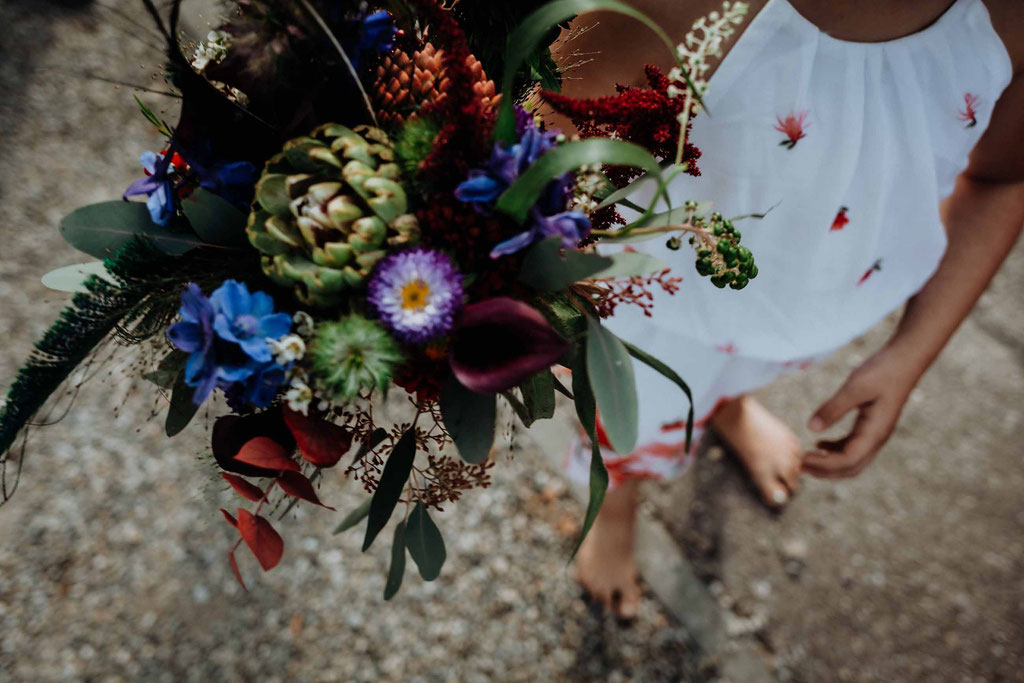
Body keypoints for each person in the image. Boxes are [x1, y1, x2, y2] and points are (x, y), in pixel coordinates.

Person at [552, 0, 1024, 619]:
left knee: (737, 371)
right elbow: (550, 156)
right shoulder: (689, 9)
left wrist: (910, 354)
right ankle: (614, 505)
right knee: (629, 417)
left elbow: (1002, 178)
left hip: (808, 303)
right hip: (648, 312)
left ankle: (730, 405)